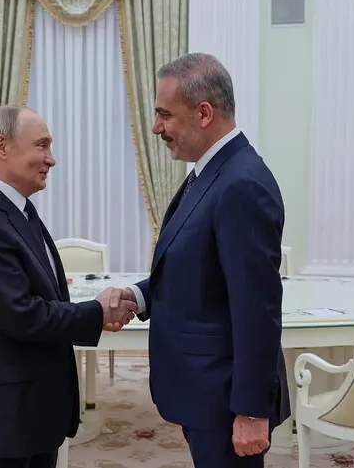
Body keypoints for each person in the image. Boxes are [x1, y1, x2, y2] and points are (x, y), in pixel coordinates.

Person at [121, 53, 290, 468]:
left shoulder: (241, 183)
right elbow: (198, 272)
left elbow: (257, 309)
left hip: (227, 398)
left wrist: (251, 410)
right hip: (206, 393)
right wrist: (137, 297)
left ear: (203, 113)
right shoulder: (211, 173)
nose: (156, 127)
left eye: (165, 114)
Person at [0, 105, 137, 468]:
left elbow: (43, 299)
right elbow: (22, 315)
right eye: (42, 145)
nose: (51, 159)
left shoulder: (20, 212)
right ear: (2, 146)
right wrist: (96, 312)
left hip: (32, 414)